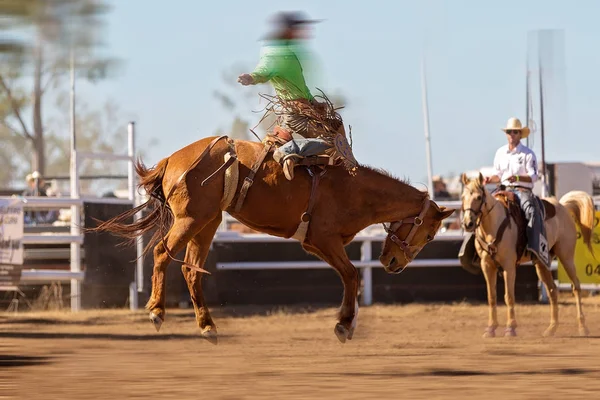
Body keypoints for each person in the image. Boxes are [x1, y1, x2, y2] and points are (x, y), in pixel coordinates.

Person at [238, 11, 357, 180]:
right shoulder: (275, 53)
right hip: (296, 114)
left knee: (336, 127)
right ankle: (289, 151)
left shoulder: (284, 50)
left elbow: (299, 86)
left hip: (303, 109)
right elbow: (263, 71)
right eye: (298, 28)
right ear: (288, 30)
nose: (303, 32)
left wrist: (313, 102)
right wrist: (251, 77)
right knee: (333, 143)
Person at [483, 117, 550, 268]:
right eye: (509, 132)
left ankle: (534, 246)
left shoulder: (528, 154)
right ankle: (475, 248)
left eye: (515, 132)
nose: (511, 134)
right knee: (483, 208)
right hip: (504, 189)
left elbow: (533, 177)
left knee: (531, 210)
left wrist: (518, 177)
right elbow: (498, 175)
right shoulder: (500, 153)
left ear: (520, 134)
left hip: (522, 190)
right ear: (506, 134)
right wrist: (489, 179)